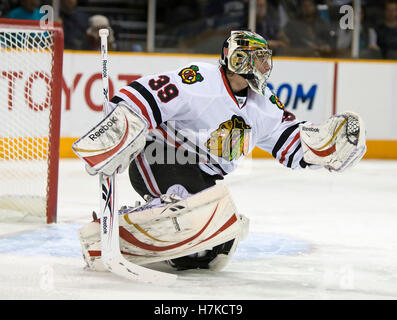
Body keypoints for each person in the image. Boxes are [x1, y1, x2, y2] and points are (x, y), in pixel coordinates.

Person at [75, 30, 366, 273]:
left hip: (204, 175)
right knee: (186, 213)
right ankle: (112, 233)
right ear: (240, 59)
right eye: (260, 59)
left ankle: (140, 235)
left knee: (213, 249)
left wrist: (322, 150)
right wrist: (119, 126)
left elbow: (287, 140)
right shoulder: (200, 79)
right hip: (160, 157)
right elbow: (147, 94)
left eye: (268, 60)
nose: (266, 67)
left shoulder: (264, 103)